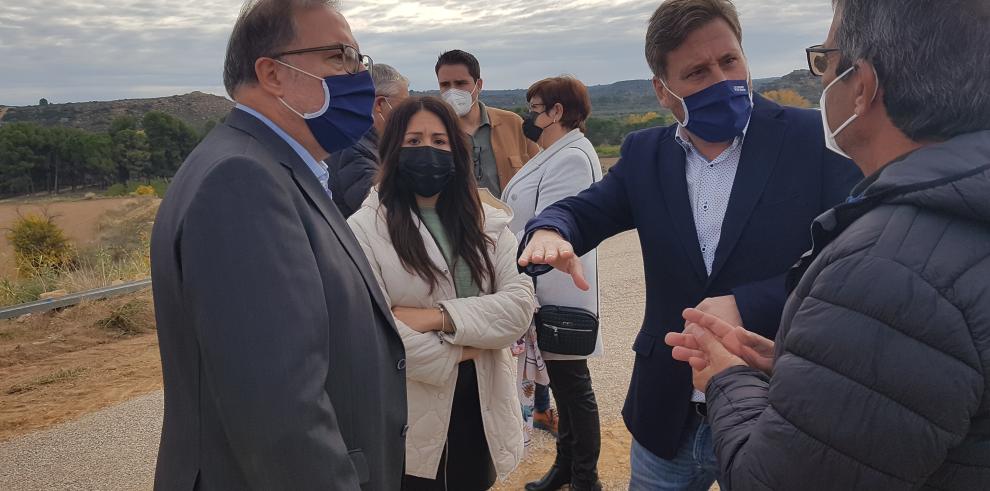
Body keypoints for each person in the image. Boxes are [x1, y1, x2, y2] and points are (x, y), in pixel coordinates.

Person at [516, 0, 863, 489]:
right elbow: (580, 211)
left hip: (779, 407)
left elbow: (853, 262)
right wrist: (549, 230)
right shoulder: (644, 155)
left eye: (729, 61)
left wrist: (746, 304)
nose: (721, 80)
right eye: (697, 72)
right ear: (663, 90)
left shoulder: (815, 140)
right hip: (668, 416)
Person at [665, 0, 990, 488]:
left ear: (861, 86)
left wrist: (726, 378)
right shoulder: (961, 206)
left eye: (824, 60)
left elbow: (777, 481)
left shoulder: (886, 271)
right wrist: (801, 366)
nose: (820, 80)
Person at [149, 1, 407, 489]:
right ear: (272, 73)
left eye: (359, 60)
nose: (358, 75)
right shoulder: (242, 180)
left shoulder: (275, 168)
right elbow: (282, 413)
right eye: (339, 56)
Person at [347, 96, 536, 491]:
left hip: (480, 401)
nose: (427, 151)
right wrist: (473, 344)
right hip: (412, 410)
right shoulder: (364, 228)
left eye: (439, 140)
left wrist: (436, 318)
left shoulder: (489, 221)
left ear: (456, 149)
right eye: (413, 142)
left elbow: (519, 308)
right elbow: (375, 335)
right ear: (393, 149)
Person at [503, 76, 604, 491]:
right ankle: (566, 468)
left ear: (556, 111)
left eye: (534, 109)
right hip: (541, 290)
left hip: (556, 291)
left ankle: (585, 479)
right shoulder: (553, 152)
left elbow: (556, 224)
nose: (530, 117)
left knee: (574, 388)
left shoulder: (573, 158)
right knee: (564, 388)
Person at [435, 49, 539, 197]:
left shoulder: (512, 124)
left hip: (511, 218)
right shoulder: (434, 131)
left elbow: (539, 172)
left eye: (460, 83)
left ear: (479, 85)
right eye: (445, 85)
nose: (453, 91)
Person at [327, 62, 410, 217]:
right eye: (404, 107)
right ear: (379, 104)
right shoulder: (353, 149)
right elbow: (382, 208)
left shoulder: (370, 142)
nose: (409, 115)